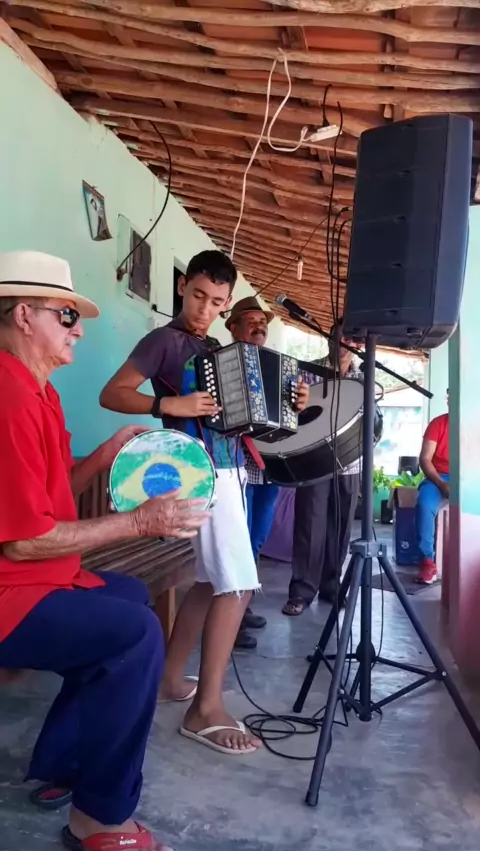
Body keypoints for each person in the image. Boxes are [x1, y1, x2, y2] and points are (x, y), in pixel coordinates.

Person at [0, 250, 208, 851]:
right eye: (66, 315)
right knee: (133, 636)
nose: (79, 330)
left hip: (37, 578)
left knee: (130, 595)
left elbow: (49, 494)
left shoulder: (37, 391)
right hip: (12, 590)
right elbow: (24, 539)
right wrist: (139, 521)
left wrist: (110, 449)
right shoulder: (9, 396)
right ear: (23, 315)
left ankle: (67, 764)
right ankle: (99, 819)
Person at [100, 250, 262, 756]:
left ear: (227, 303)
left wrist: (287, 405)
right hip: (198, 471)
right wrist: (167, 403)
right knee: (238, 585)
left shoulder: (215, 347)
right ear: (182, 287)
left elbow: (241, 414)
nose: (204, 309)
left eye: (216, 302)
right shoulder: (163, 341)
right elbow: (113, 393)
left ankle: (170, 680)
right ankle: (205, 709)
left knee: (211, 581)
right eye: (197, 296)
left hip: (230, 469)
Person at [226, 296, 310, 648]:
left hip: (270, 467)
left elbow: (293, 414)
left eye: (262, 322)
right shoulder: (224, 362)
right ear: (233, 327)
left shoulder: (281, 366)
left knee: (256, 539)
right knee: (238, 541)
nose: (259, 326)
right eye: (251, 320)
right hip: (237, 465)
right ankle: (228, 621)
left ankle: (241, 607)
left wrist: (300, 401)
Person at [282, 318, 361, 616]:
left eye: (350, 339)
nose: (344, 344)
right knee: (309, 524)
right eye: (339, 337)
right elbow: (291, 413)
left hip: (350, 462)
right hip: (313, 461)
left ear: (358, 345)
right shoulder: (307, 372)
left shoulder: (364, 378)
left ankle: (332, 587)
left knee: (340, 527)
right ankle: (302, 591)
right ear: (328, 339)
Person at [415, 391, 449, 585]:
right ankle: (428, 561)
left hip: (469, 476)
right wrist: (441, 484)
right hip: (438, 476)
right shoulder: (438, 424)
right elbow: (425, 459)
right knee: (425, 504)